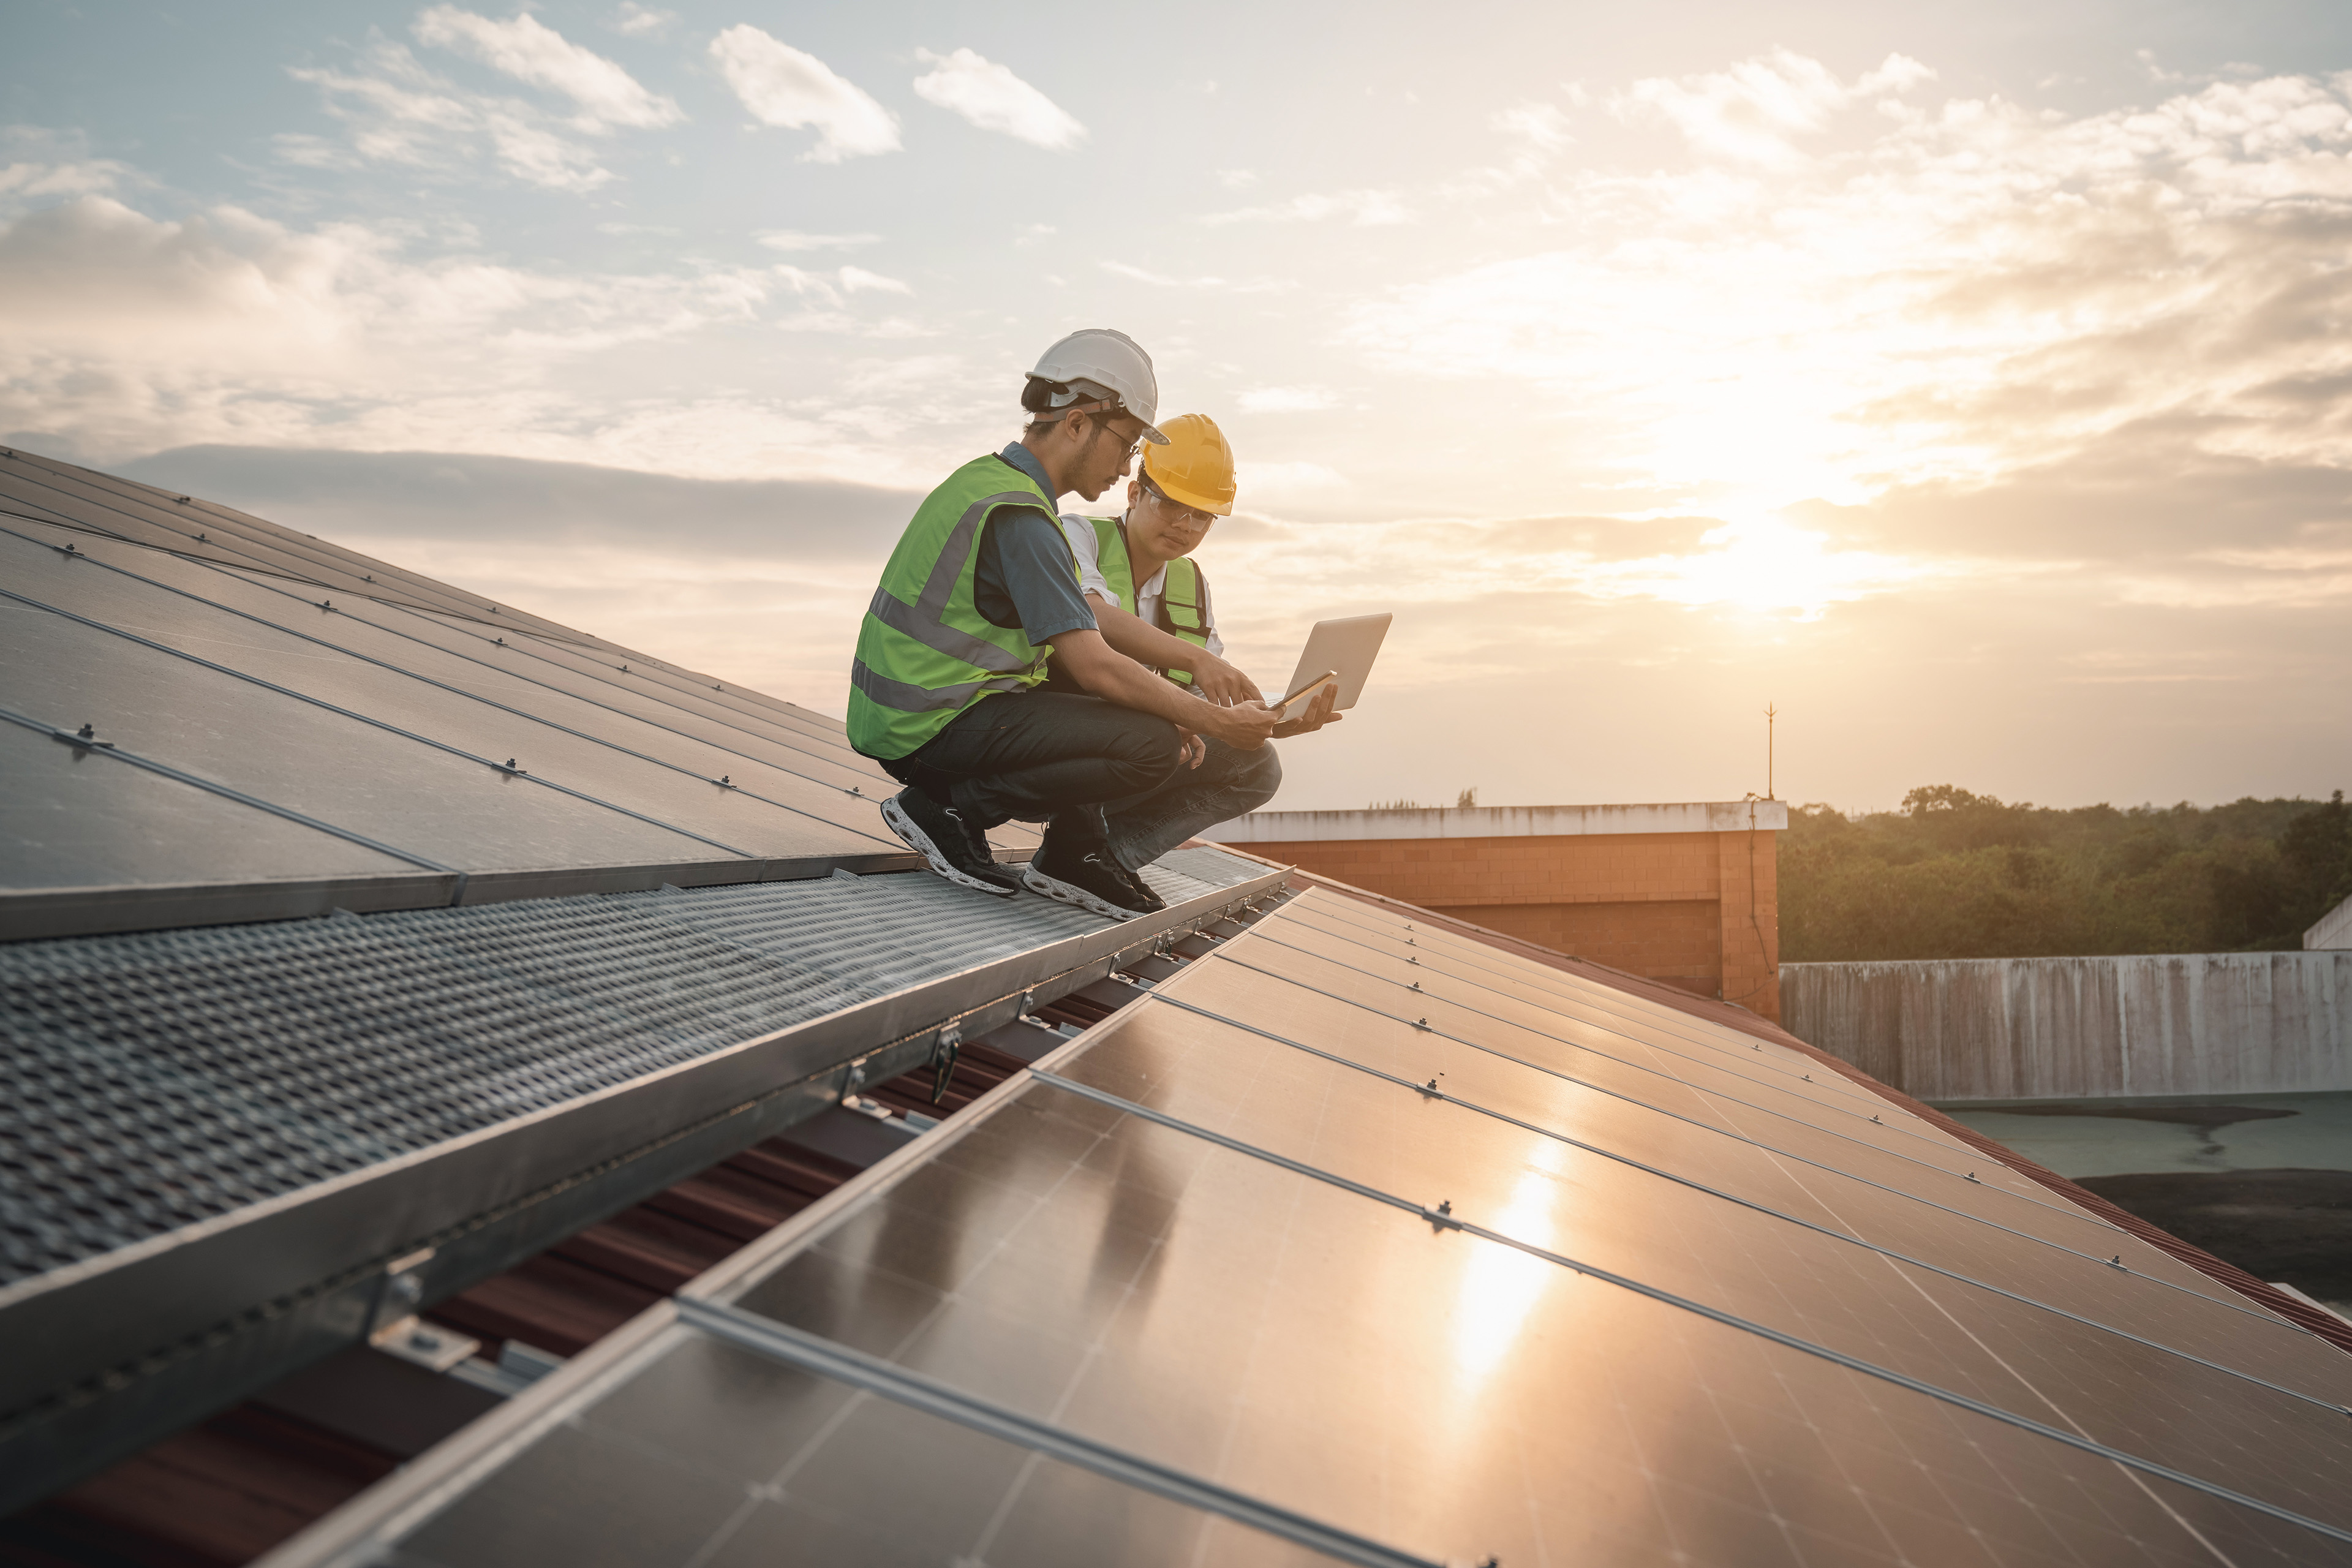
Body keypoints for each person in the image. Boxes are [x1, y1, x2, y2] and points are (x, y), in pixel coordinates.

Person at [847, 328, 1279, 919]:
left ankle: (1075, 850)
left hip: (915, 712)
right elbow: (1091, 663)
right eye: (1126, 444)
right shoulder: (1023, 519)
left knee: (1158, 729)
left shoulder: (986, 483)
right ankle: (952, 810)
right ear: (1077, 424)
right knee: (1149, 745)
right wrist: (1207, 718)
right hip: (931, 727)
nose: (1126, 462)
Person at [1044, 412, 1340, 878]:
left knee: (1258, 767)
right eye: (1171, 504)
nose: (1185, 523)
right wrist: (1195, 668)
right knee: (1161, 736)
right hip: (1050, 744)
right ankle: (1076, 846)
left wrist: (1266, 722)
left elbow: (1203, 697)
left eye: (1201, 515)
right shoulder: (1075, 535)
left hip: (1130, 753)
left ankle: (1104, 860)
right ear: (1135, 492)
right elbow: (1089, 615)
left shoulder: (1191, 584)